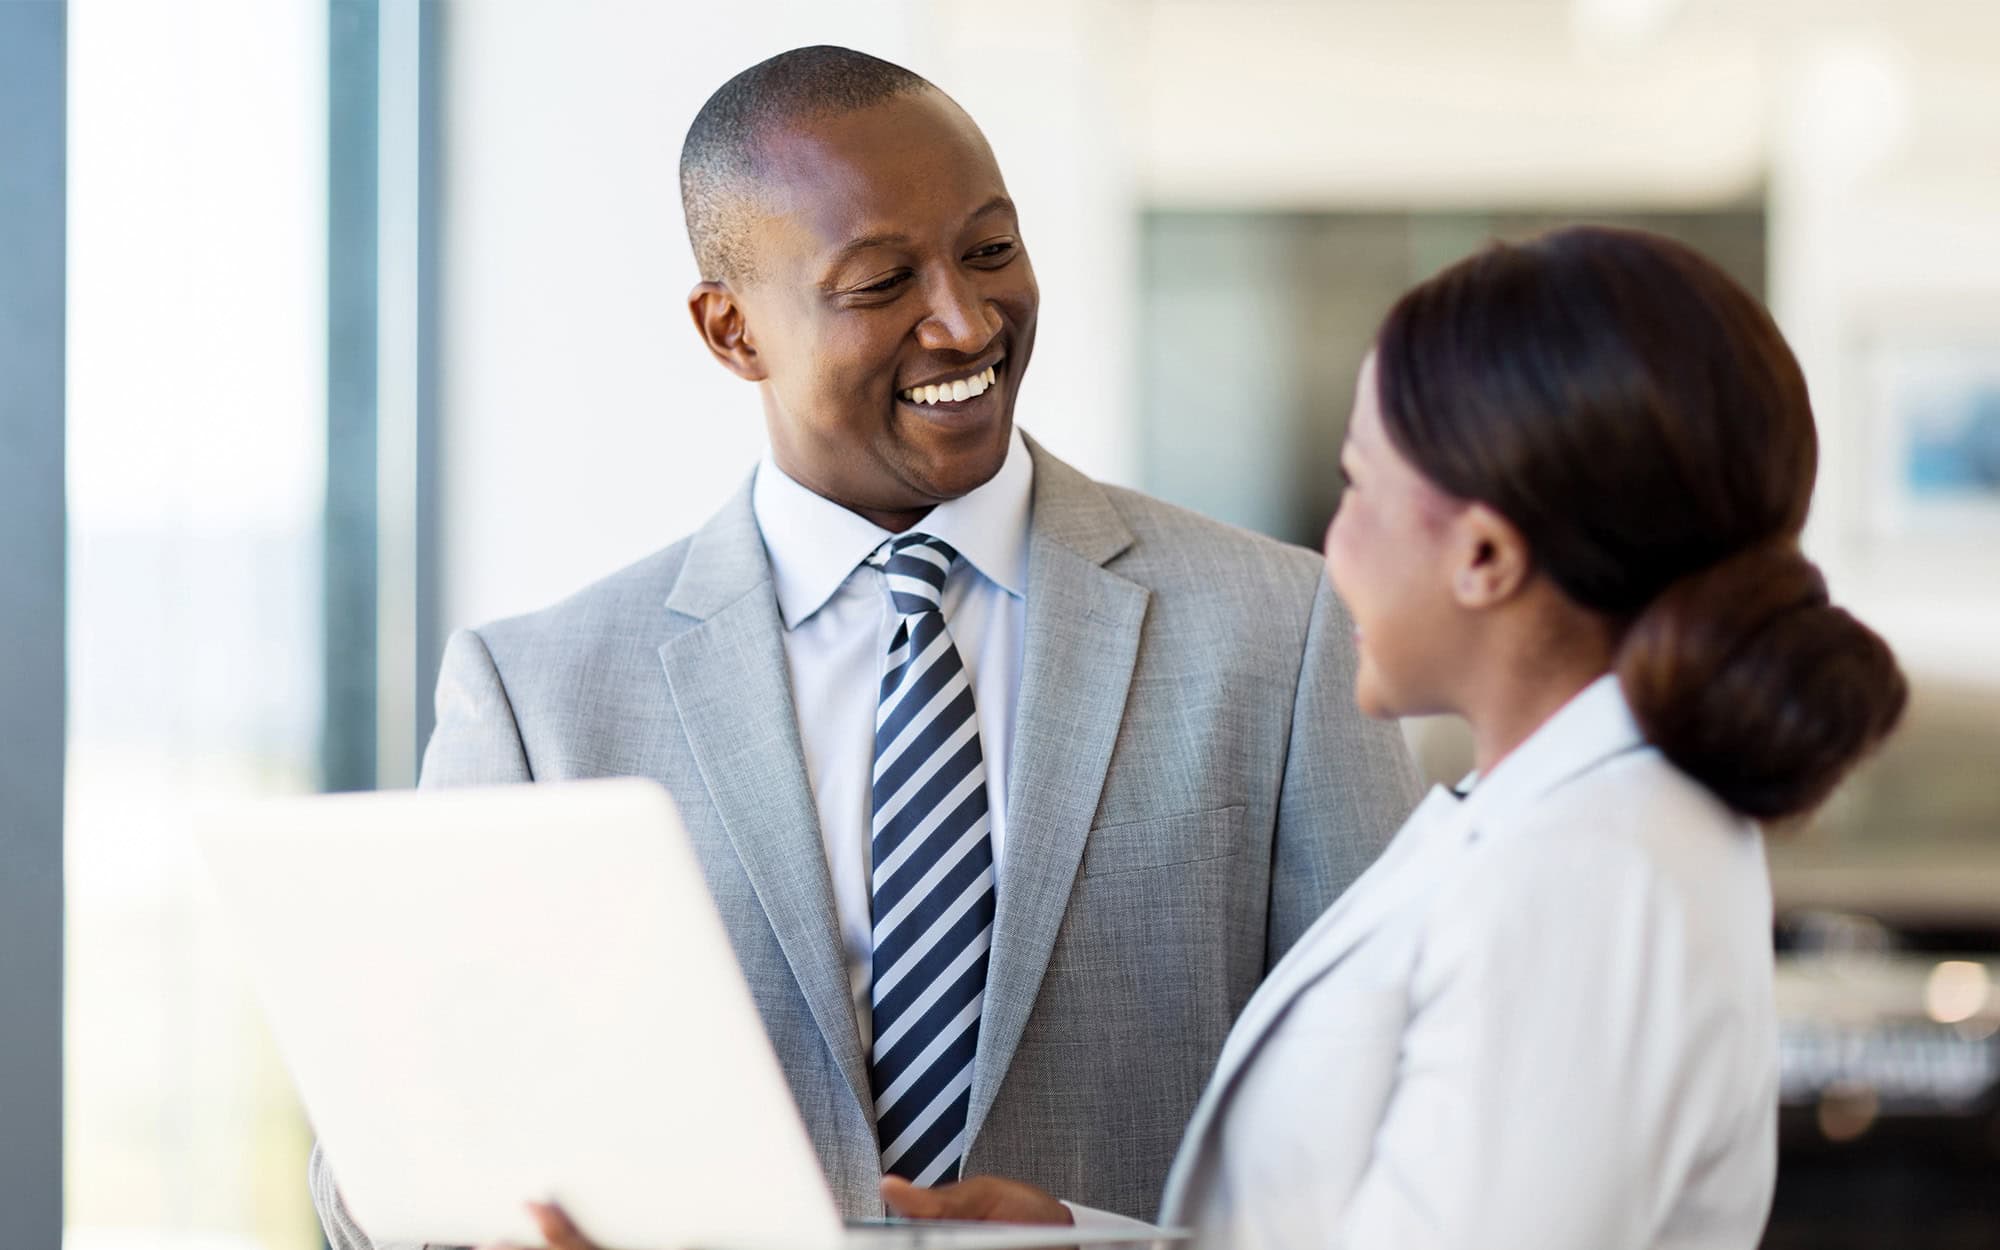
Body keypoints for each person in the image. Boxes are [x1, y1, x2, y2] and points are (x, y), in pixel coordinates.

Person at [308, 45, 1422, 1250]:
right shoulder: (540, 695)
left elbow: (1407, 1122)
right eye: (882, 280)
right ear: (731, 331)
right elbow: (380, 1172)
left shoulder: (1279, 628)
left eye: (990, 249)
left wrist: (1104, 1238)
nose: (965, 318)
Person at [880, 225, 1909, 1249]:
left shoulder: (1586, 869)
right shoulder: (1554, 823)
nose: (1333, 544)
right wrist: (1075, 1236)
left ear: (1482, 553)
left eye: (1357, 484)